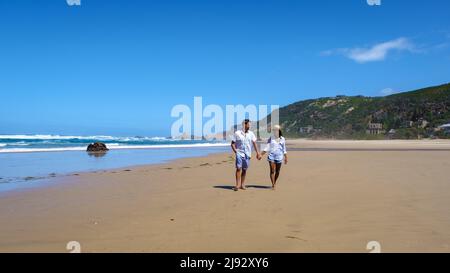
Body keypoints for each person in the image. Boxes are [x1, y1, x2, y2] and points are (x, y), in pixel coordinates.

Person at [231, 119, 261, 191]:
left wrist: (258, 153)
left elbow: (254, 143)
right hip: (239, 153)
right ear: (244, 124)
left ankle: (242, 184)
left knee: (244, 169)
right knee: (238, 168)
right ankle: (237, 185)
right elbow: (232, 143)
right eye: (249, 124)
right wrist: (236, 151)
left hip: (247, 154)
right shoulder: (237, 133)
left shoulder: (251, 133)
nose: (250, 126)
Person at [261, 125, 288, 190]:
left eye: (276, 130)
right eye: (274, 130)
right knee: (272, 171)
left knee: (277, 171)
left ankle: (274, 182)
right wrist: (261, 154)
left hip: (279, 156)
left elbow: (284, 149)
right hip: (271, 156)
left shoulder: (282, 139)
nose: (275, 131)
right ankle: (273, 184)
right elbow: (267, 147)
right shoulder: (271, 138)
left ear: (279, 131)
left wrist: (286, 157)